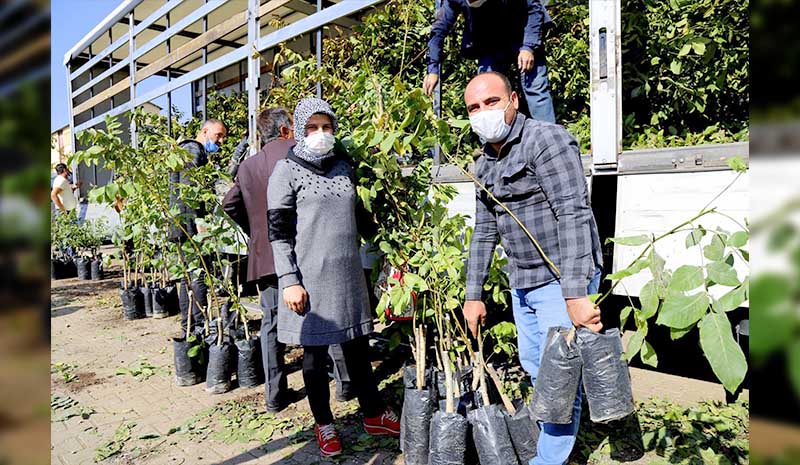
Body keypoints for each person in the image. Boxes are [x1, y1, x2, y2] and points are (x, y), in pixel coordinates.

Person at [461, 72, 603, 465]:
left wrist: (574, 292)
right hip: (523, 280)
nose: (483, 113)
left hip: (560, 277)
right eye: (474, 108)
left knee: (556, 377)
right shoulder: (484, 163)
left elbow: (574, 213)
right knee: (535, 367)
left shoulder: (547, 140)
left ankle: (549, 458)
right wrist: (473, 295)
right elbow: (484, 229)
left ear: (514, 101)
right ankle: (559, 442)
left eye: (491, 102)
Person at [267, 98, 399, 457]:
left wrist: (394, 246)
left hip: (347, 272)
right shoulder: (286, 171)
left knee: (357, 344)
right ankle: (324, 423)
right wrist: (289, 280)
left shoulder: (344, 167)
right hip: (308, 277)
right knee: (314, 353)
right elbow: (278, 233)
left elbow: (362, 217)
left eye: (327, 127)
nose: (321, 134)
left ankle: (372, 413)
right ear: (296, 131)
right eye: (312, 128)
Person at [423, 0, 556, 123]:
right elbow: (439, 29)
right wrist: (433, 69)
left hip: (523, 31)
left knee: (535, 88)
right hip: (490, 40)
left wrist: (528, 47)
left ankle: (550, 140)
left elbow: (533, 8)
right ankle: (492, 144)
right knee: (487, 92)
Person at [168, 119, 227, 340]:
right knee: (198, 276)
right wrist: (199, 226)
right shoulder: (193, 149)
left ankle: (190, 326)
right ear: (205, 131)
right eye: (218, 136)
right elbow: (189, 190)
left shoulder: (185, 150)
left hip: (181, 225)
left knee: (187, 278)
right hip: (189, 226)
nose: (220, 141)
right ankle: (199, 326)